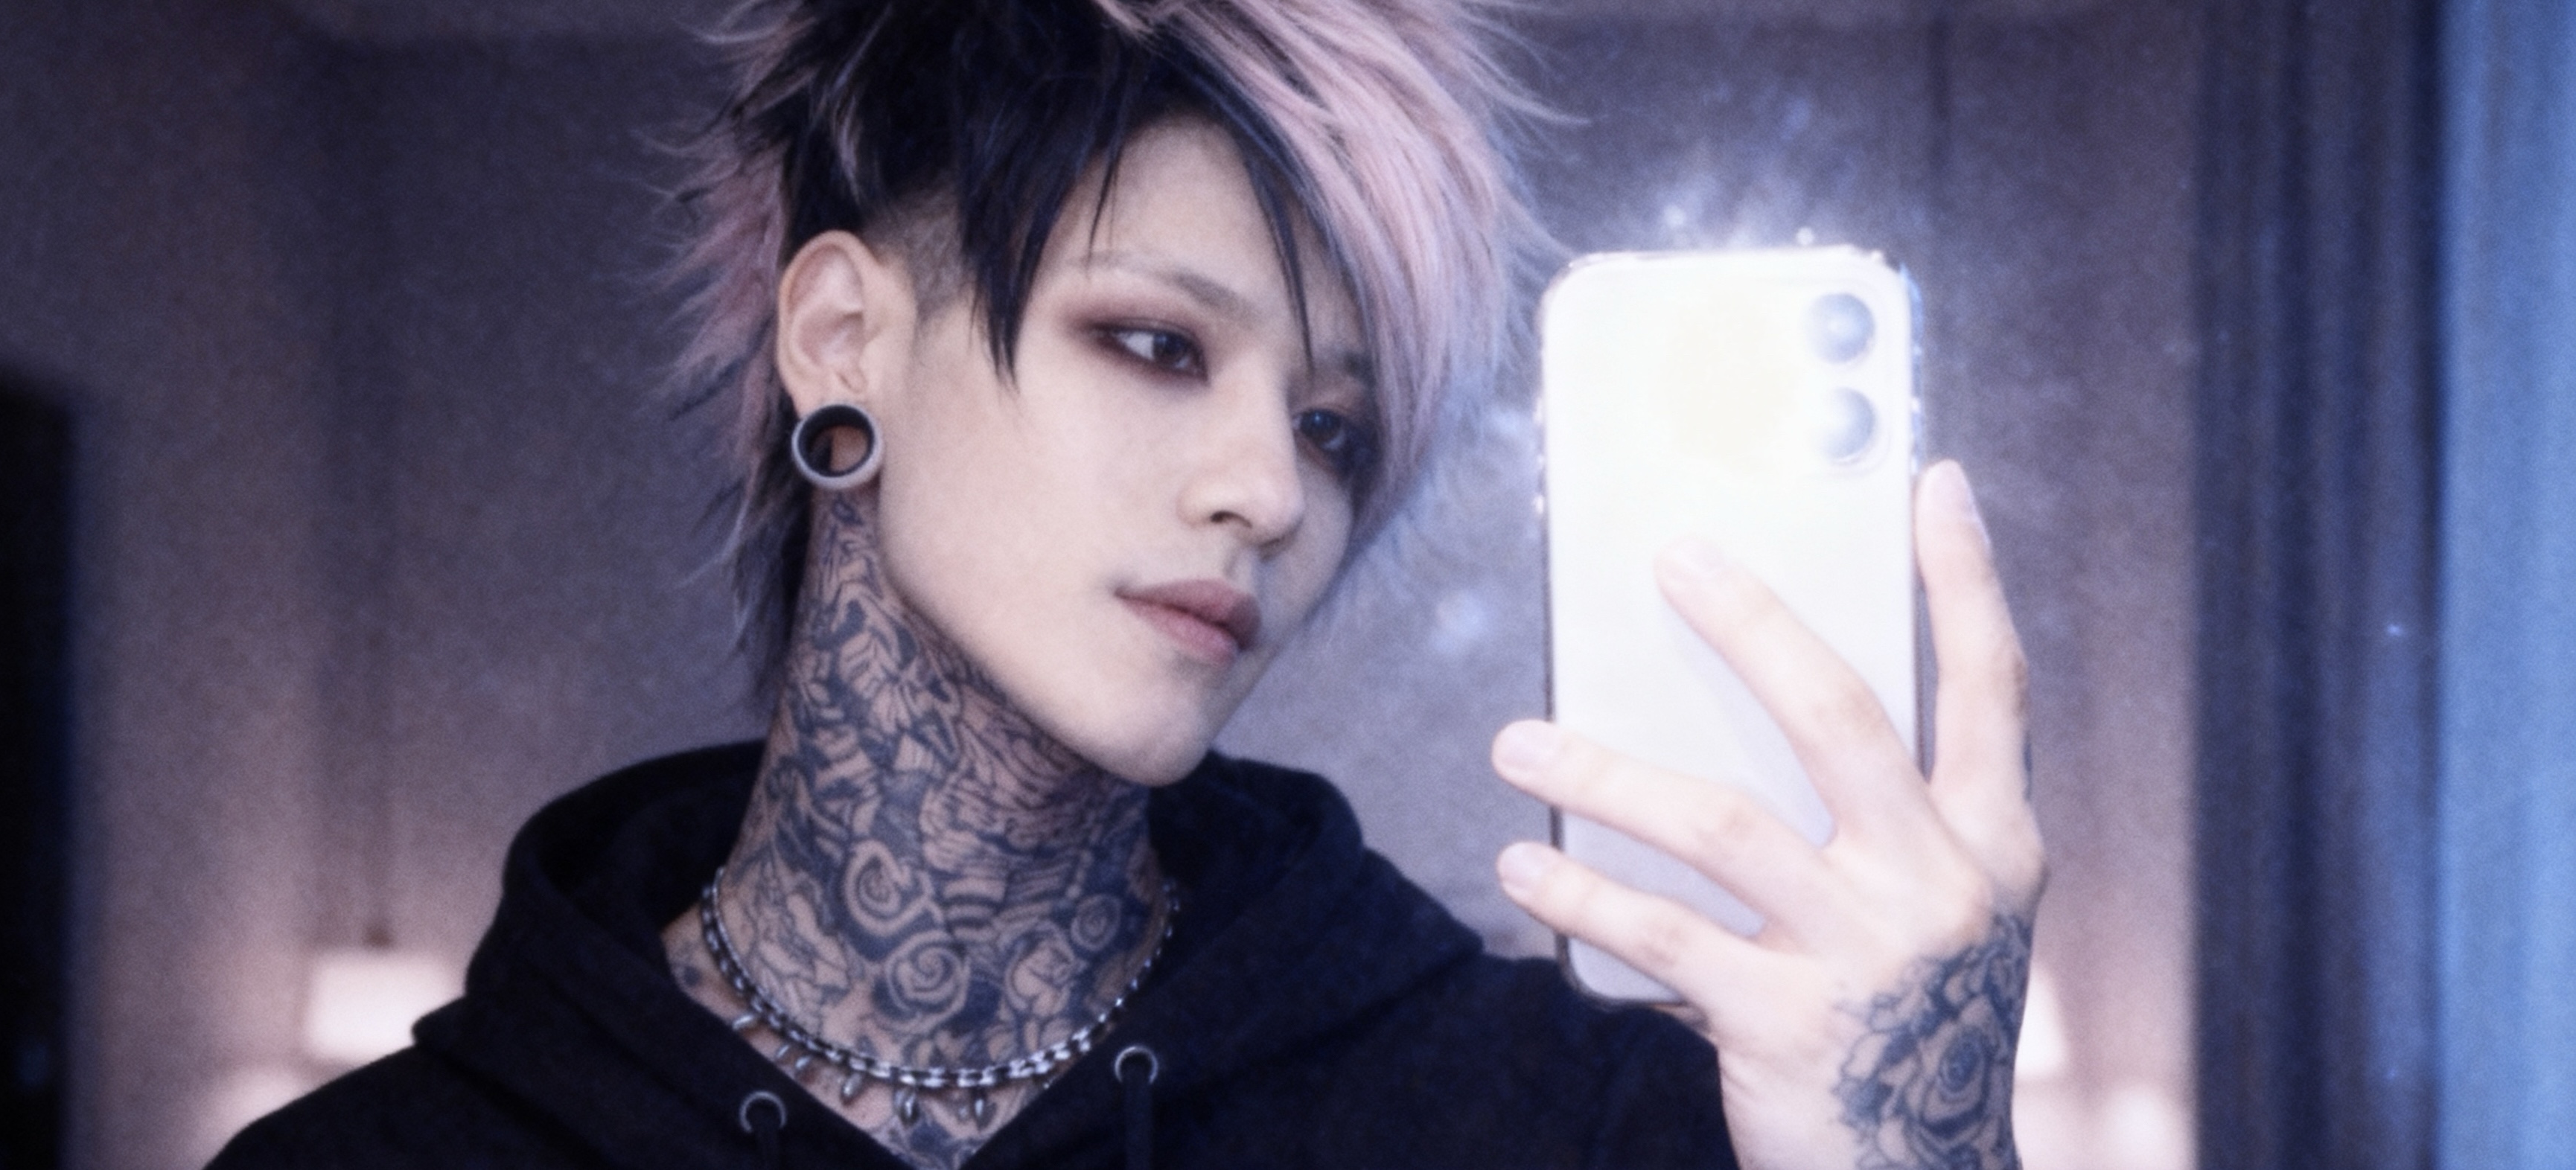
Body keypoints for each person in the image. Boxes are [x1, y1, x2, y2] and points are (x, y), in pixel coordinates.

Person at [211, 0, 2044, 1167]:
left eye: (1335, 429)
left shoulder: (1566, 1120)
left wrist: (1920, 1152)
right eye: (1158, 344)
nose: (1269, 490)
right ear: (842, 337)